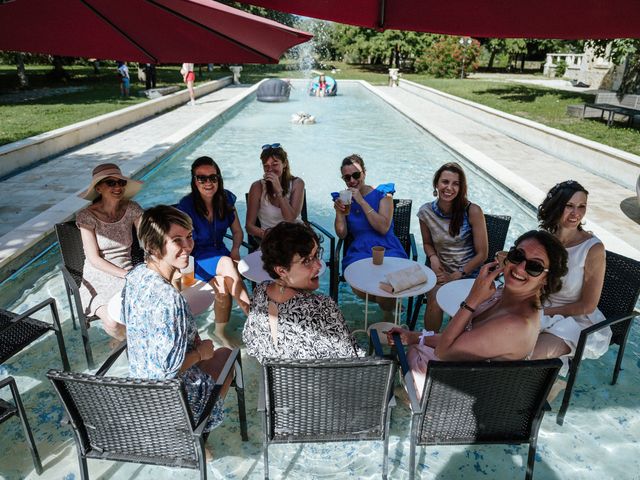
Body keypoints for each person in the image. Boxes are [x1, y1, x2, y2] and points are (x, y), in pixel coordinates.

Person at [388, 230, 568, 399]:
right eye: (518, 256)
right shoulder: (502, 294)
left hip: (464, 398)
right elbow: (460, 339)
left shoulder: (515, 324)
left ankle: (408, 399)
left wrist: (473, 299)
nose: (520, 268)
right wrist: (412, 336)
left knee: (411, 357)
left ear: (546, 278)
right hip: (466, 374)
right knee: (413, 345)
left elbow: (444, 351)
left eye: (535, 266)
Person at [123, 205, 233, 457]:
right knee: (226, 356)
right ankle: (197, 436)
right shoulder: (170, 300)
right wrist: (200, 354)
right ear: (152, 246)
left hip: (139, 387)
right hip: (170, 401)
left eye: (189, 237)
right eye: (176, 240)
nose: (188, 246)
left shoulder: (135, 276)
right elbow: (166, 373)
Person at [242, 222, 363, 363]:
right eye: (307, 261)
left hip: (277, 382)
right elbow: (350, 362)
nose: (318, 265)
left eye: (316, 255)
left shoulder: (260, 292)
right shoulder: (322, 307)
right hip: (317, 383)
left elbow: (250, 341)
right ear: (281, 270)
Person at [532, 180, 610, 375]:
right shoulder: (546, 239)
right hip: (542, 309)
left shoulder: (593, 249)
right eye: (570, 206)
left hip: (575, 320)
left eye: (582, 206)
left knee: (530, 356)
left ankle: (547, 388)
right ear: (557, 206)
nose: (576, 213)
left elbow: (588, 305)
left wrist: (545, 311)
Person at [177, 156, 250, 347]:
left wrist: (235, 249)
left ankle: (219, 332)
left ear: (219, 179)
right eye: (202, 178)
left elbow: (237, 231)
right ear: (194, 181)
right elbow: (180, 244)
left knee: (223, 287)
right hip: (195, 259)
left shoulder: (226, 199)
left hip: (220, 254)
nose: (208, 182)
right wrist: (185, 273)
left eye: (213, 177)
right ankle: (254, 317)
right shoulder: (186, 207)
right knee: (226, 264)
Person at [417, 162, 488, 331]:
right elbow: (427, 243)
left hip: (469, 274)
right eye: (445, 182)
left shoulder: (472, 211)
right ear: (436, 184)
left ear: (461, 187)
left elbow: (483, 254)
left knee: (460, 308)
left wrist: (459, 274)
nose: (449, 188)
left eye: (455, 183)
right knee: (434, 300)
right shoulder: (426, 212)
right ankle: (427, 343)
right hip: (441, 272)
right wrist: (433, 258)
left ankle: (450, 346)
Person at [76, 163, 143, 341]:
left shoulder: (132, 209)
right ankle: (130, 345)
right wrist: (127, 275)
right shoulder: (86, 216)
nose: (118, 187)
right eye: (111, 183)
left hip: (127, 271)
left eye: (121, 182)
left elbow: (149, 237)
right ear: (98, 188)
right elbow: (94, 259)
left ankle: (130, 345)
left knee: (143, 312)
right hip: (98, 277)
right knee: (113, 323)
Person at [333, 154, 407, 314]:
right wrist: (339, 213)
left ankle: (387, 315)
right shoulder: (344, 199)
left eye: (356, 175)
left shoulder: (383, 194)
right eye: (347, 177)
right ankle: (389, 307)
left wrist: (361, 201)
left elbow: (383, 228)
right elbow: (342, 234)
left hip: (388, 247)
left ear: (364, 173)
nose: (352, 180)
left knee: (384, 290)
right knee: (381, 292)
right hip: (360, 251)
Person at [245, 143, 305, 241]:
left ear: (284, 163)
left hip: (297, 237)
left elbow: (290, 219)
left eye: (275, 164)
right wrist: (266, 234)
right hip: (271, 241)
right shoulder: (257, 187)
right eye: (266, 166)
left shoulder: (297, 183)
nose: (270, 169)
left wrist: (278, 190)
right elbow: (249, 227)